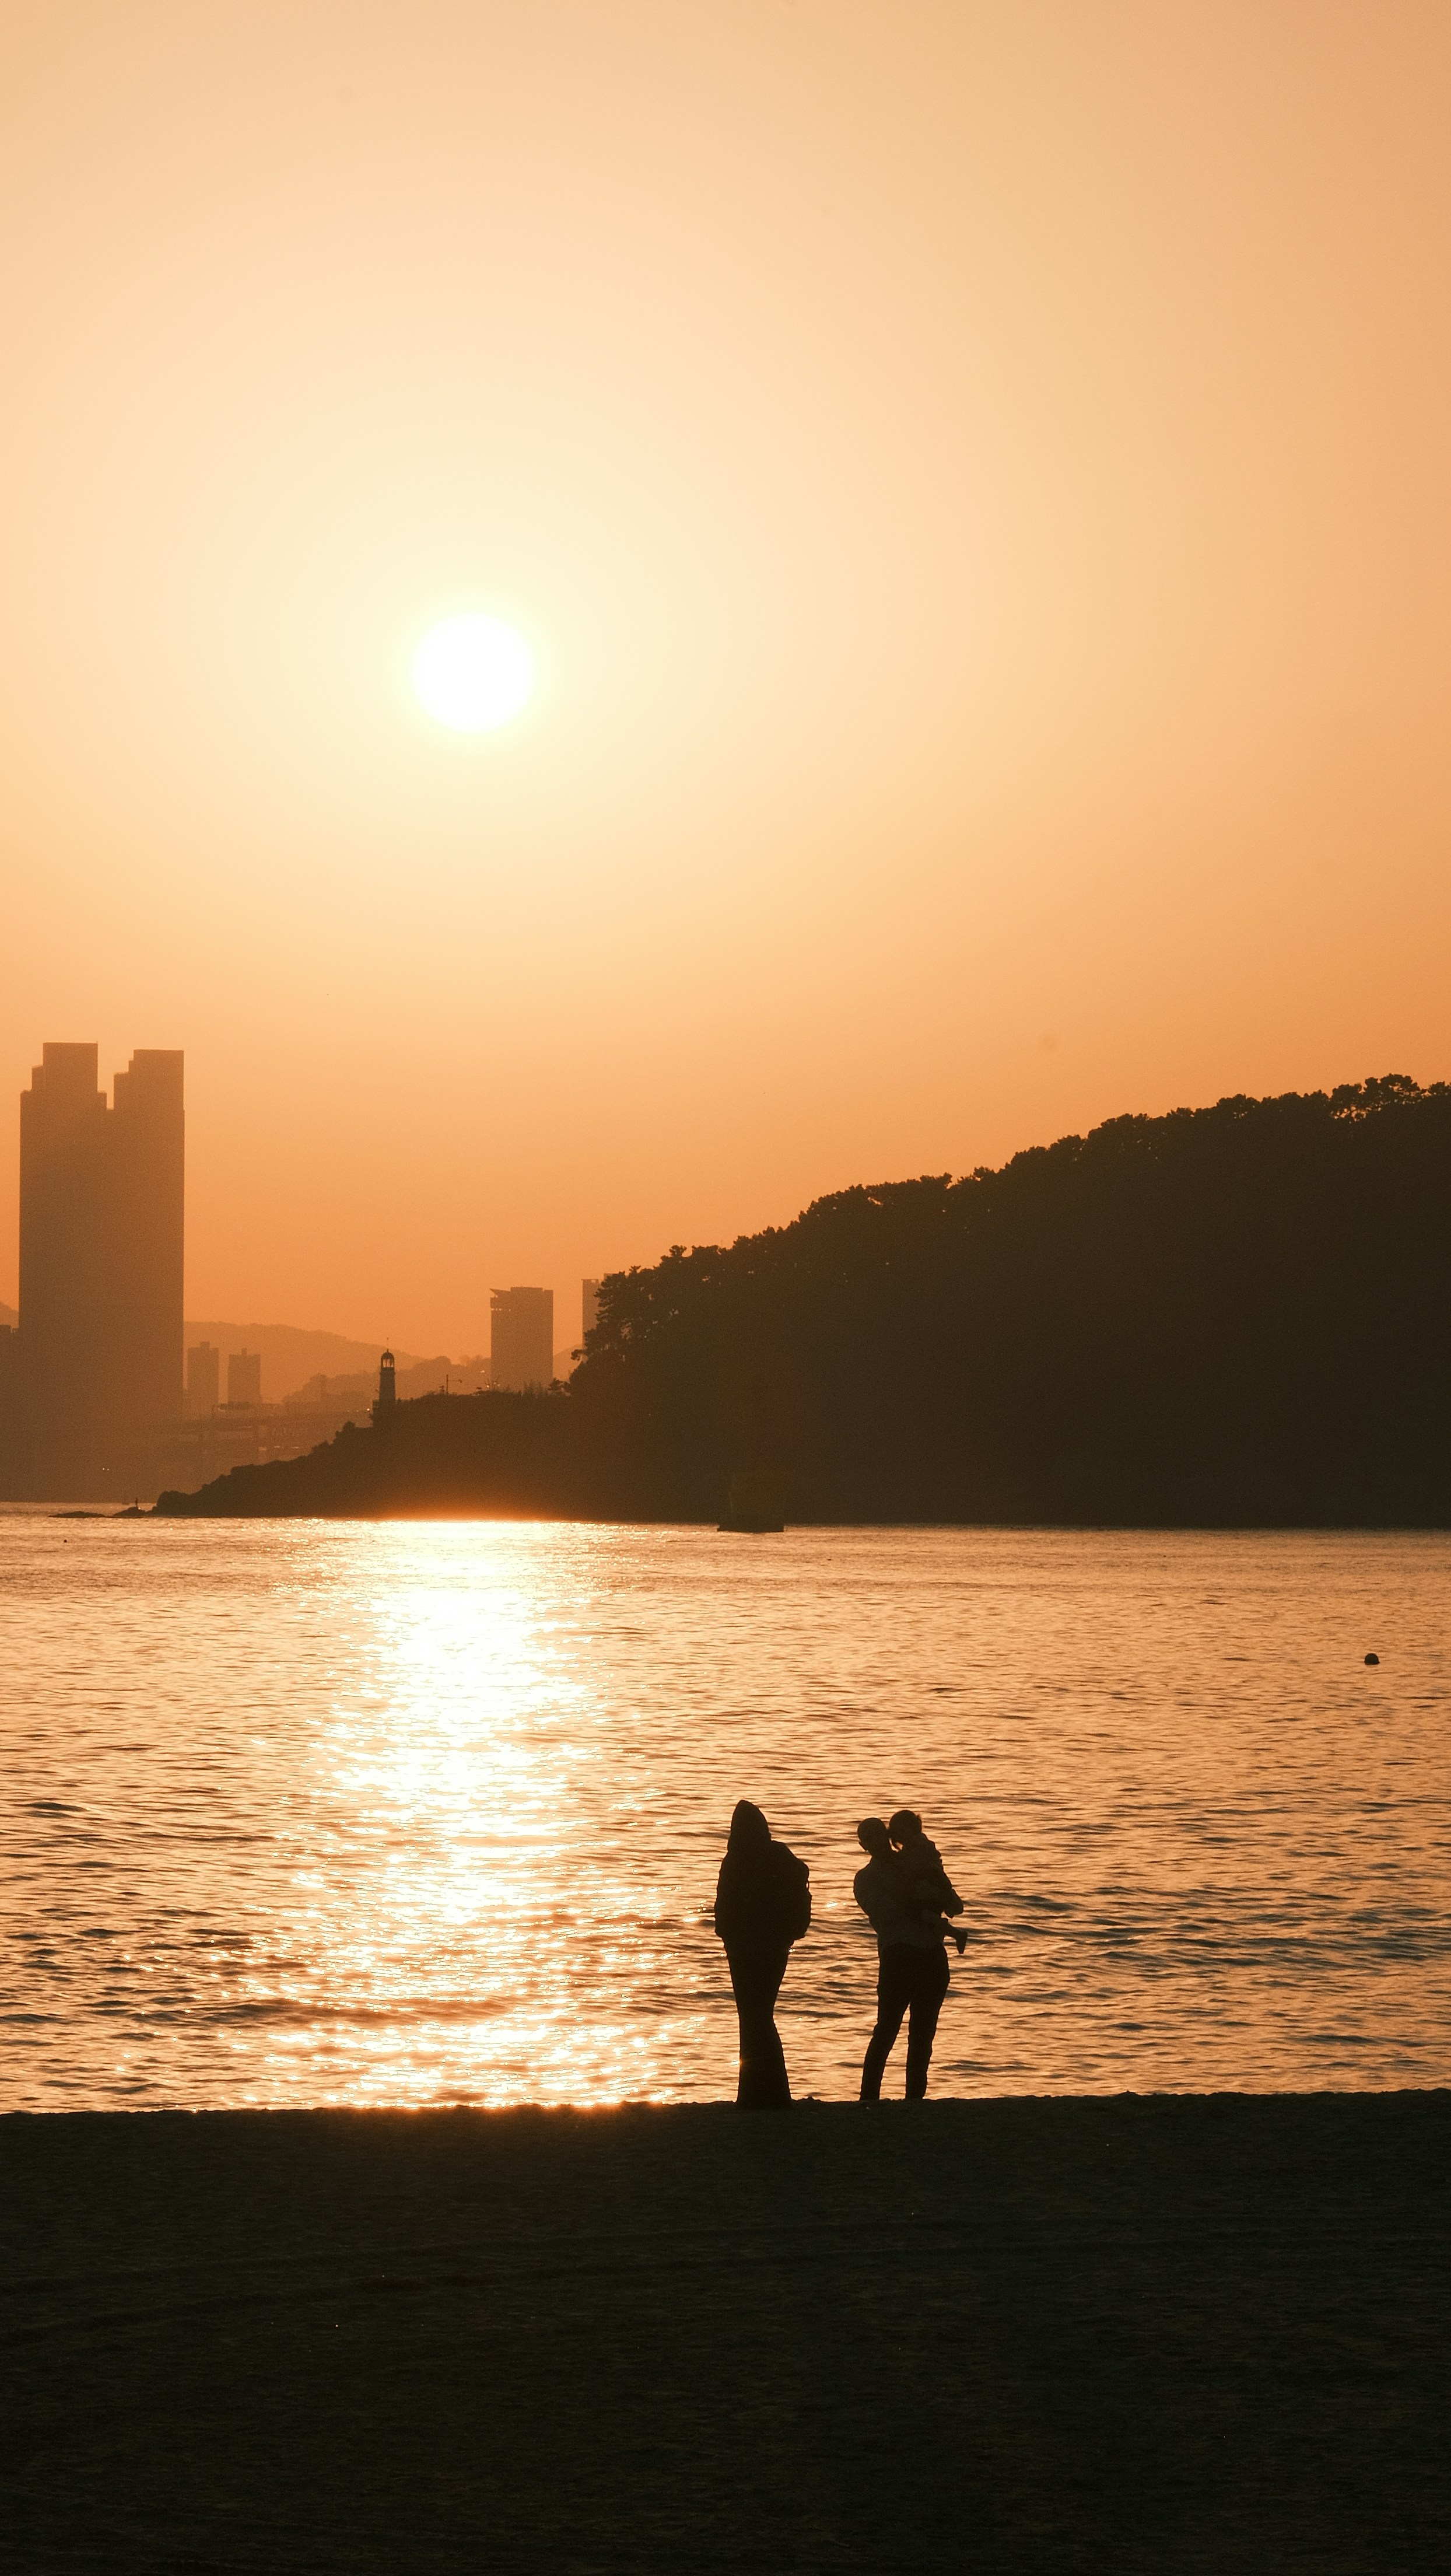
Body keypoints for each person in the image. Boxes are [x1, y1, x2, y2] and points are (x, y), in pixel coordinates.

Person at [853, 1811, 963, 2101]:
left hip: (931, 1955)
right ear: (865, 1846)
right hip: (898, 1956)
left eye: (880, 1834)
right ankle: (869, 2098)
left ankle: (915, 2100)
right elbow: (889, 1913)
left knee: (923, 2036)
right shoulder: (866, 1879)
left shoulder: (917, 1861)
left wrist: (933, 1880)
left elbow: (951, 1902)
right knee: (887, 2030)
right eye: (869, 1838)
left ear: (889, 1837)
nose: (877, 1841)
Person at [713, 1799, 812, 2108]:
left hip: (743, 1949)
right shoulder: (780, 1855)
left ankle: (759, 2094)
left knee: (752, 2017)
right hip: (776, 1946)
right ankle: (771, 2093)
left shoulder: (736, 1859)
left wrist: (726, 1935)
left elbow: (724, 1904)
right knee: (761, 2015)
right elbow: (801, 1878)